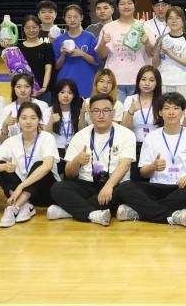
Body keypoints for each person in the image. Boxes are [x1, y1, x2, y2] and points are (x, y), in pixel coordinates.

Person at [113, 92, 186, 228]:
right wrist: (153, 167)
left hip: (181, 187)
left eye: (176, 108)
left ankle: (139, 212)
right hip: (156, 187)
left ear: (183, 112)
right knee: (124, 187)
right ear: (160, 112)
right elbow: (144, 173)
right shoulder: (151, 137)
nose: (171, 112)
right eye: (166, 108)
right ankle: (172, 216)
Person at [48, 93, 136, 226]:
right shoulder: (80, 136)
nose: (101, 115)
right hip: (87, 183)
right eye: (96, 111)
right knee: (58, 188)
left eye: (106, 110)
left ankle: (70, 211)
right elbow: (69, 174)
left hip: (114, 184)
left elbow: (125, 165)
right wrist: (76, 161)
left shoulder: (127, 134)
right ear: (89, 114)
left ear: (113, 113)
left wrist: (108, 186)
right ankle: (93, 213)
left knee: (125, 190)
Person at [0, 102, 57, 227]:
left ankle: (14, 207)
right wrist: (4, 167)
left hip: (43, 192)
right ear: (18, 120)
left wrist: (21, 187)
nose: (28, 122)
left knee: (40, 164)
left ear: (39, 120)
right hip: (18, 192)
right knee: (0, 165)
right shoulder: (10, 141)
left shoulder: (47, 138)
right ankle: (25, 205)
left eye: (33, 118)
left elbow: (48, 166)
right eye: (24, 118)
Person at [95, 0, 154, 101]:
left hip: (139, 80)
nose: (126, 6)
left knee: (136, 111)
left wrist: (147, 43)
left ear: (134, 5)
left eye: (129, 3)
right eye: (122, 4)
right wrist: (102, 42)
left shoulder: (144, 27)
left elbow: (152, 54)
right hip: (114, 80)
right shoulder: (108, 27)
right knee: (116, 111)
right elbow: (101, 55)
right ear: (117, 7)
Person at [122, 66, 163, 175]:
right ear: (138, 81)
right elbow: (125, 129)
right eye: (143, 79)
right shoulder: (130, 99)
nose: (147, 83)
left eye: (151, 80)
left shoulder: (162, 101)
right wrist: (131, 111)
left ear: (157, 83)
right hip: (135, 146)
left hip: (157, 146)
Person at [53, 4, 99, 101]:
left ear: (81, 17)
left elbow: (96, 62)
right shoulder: (59, 40)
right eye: (69, 17)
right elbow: (57, 66)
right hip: (65, 86)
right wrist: (62, 55)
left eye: (75, 17)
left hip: (86, 84)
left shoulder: (90, 37)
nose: (72, 20)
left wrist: (82, 54)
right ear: (64, 19)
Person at [152, 5, 186, 98]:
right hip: (164, 82)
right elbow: (155, 65)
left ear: (183, 21)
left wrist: (171, 55)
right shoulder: (161, 39)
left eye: (177, 18)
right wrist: (157, 51)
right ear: (166, 21)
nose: (173, 21)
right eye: (170, 18)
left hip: (183, 83)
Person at [0, 73, 52, 141]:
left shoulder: (42, 105)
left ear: (32, 88)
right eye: (18, 87)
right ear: (14, 88)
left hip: (38, 145)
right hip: (16, 147)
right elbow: (3, 142)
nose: (23, 90)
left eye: (27, 86)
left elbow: (47, 135)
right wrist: (5, 125)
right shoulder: (7, 109)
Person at [17, 14, 55, 103]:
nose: (31, 30)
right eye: (27, 28)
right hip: (23, 92)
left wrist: (44, 88)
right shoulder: (18, 48)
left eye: (34, 27)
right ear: (23, 29)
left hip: (43, 92)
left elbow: (48, 70)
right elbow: (16, 70)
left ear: (39, 28)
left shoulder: (47, 47)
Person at [50, 79, 82, 178]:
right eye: (62, 92)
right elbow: (44, 135)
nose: (66, 96)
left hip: (73, 149)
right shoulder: (49, 111)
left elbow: (82, 131)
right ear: (57, 94)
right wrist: (50, 122)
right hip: (56, 150)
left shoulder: (79, 111)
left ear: (74, 95)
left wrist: (83, 115)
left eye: (70, 93)